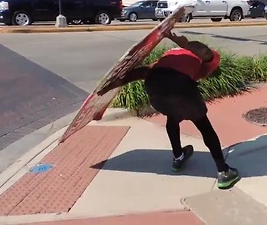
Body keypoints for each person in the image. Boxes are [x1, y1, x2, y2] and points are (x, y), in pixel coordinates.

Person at [97, 31, 240, 189]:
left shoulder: (191, 61)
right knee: (204, 126)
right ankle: (224, 171)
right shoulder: (194, 59)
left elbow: (144, 72)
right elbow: (204, 53)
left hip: (155, 87)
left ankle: (178, 157)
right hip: (176, 85)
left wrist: (112, 85)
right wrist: (184, 44)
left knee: (173, 116)